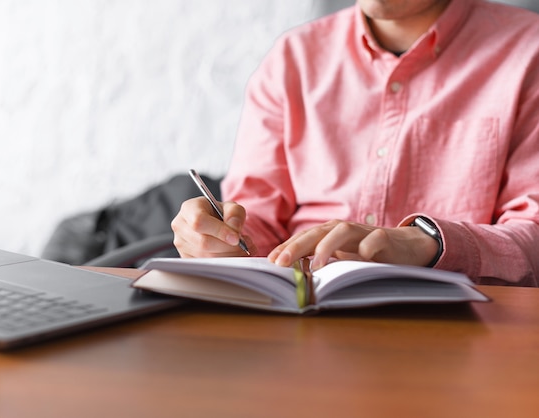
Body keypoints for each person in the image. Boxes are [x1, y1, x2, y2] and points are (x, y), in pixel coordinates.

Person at [171, 0, 539, 286]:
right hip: (296, 324)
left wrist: (428, 243)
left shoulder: (529, 53)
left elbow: (533, 234)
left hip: (464, 335)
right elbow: (257, 220)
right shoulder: (291, 59)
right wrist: (221, 238)